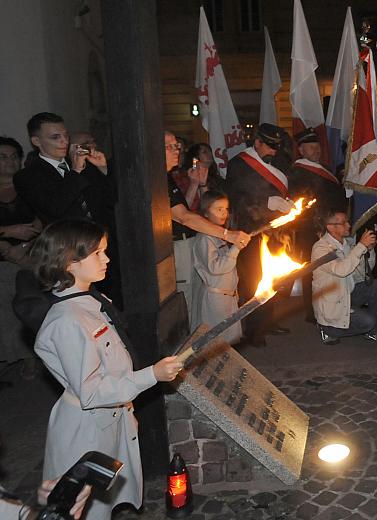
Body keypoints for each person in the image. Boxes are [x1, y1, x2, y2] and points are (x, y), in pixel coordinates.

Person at [30, 219, 183, 520]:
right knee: (84, 509)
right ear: (69, 263)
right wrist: (152, 375)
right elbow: (92, 390)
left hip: (109, 418)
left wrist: (127, 412)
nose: (107, 259)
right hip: (85, 431)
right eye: (98, 253)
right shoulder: (68, 321)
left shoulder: (91, 301)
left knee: (106, 501)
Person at [164, 131, 249, 329]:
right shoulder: (158, 179)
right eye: (169, 146)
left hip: (192, 237)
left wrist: (198, 184)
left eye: (177, 145)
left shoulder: (167, 177)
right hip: (177, 243)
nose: (176, 150)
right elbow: (183, 216)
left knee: (196, 295)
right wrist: (228, 235)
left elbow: (193, 208)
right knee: (186, 297)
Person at [225, 123, 295, 345]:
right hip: (250, 229)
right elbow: (236, 198)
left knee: (274, 278)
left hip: (275, 230)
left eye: (276, 147)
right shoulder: (238, 164)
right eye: (269, 147)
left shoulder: (280, 160)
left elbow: (284, 187)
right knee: (253, 280)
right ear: (257, 143)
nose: (273, 152)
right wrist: (267, 203)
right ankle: (253, 331)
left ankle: (269, 321)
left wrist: (288, 202)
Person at [289, 127, 347, 322]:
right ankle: (312, 311)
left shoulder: (324, 169)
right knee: (312, 271)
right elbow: (304, 203)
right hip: (311, 230)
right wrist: (318, 226)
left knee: (335, 265)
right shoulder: (297, 172)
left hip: (331, 226)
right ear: (301, 150)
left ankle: (336, 305)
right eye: (311, 147)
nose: (316, 151)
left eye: (317, 147)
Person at [14, 113, 113, 227]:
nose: (65, 141)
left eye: (66, 135)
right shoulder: (27, 176)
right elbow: (55, 208)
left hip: (103, 234)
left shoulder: (82, 162)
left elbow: (110, 199)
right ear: (36, 141)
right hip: (68, 240)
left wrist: (103, 169)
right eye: (55, 137)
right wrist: (75, 171)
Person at [311, 209, 377, 345]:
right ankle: (327, 329)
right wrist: (360, 246)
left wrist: (368, 251)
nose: (348, 225)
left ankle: (374, 332)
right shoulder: (320, 249)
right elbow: (341, 270)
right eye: (343, 223)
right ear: (330, 227)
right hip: (332, 301)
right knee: (367, 322)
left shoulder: (346, 244)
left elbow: (361, 274)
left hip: (347, 293)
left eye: (347, 221)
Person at [0, 137, 41, 380]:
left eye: (14, 156)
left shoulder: (28, 187)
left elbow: (43, 218)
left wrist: (24, 245)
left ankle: (28, 356)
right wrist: (7, 235)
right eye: (3, 157)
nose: (9, 161)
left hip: (30, 253)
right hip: (3, 256)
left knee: (25, 298)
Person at [191, 191, 246, 344]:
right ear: (206, 212)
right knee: (216, 342)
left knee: (229, 342)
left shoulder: (218, 235)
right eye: (219, 209)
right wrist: (235, 248)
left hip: (228, 297)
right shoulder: (204, 238)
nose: (224, 213)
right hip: (215, 300)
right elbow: (215, 268)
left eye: (226, 209)